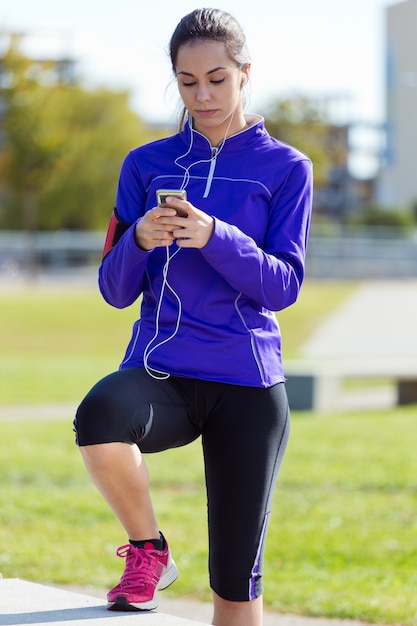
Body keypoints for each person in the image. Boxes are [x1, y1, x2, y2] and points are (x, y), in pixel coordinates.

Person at [74, 7, 313, 626]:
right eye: (187, 81)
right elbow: (113, 289)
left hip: (247, 383)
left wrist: (213, 234)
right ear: (174, 80)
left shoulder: (287, 168)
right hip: (163, 372)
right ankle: (148, 548)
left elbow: (283, 285)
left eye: (216, 79)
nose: (202, 95)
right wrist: (141, 242)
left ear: (244, 74)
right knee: (98, 417)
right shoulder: (144, 164)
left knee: (235, 590)